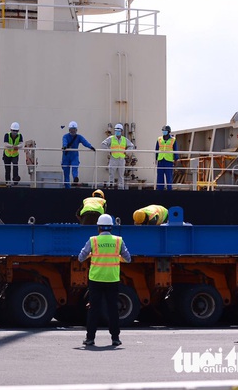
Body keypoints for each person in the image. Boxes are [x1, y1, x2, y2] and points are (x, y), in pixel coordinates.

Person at [78, 213, 131, 347]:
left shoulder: (93, 240)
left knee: (93, 309)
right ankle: (115, 338)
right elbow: (128, 259)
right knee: (112, 310)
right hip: (112, 279)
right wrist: (116, 257)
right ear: (111, 228)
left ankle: (90, 338)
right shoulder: (118, 241)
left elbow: (80, 257)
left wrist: (91, 255)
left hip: (96, 279)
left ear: (98, 228)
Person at [61, 121, 95, 189]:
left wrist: (90, 146)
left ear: (76, 130)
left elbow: (84, 142)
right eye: (72, 130)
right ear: (69, 130)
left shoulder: (77, 137)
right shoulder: (66, 136)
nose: (73, 131)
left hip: (72, 155)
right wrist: (64, 146)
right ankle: (69, 185)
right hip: (68, 156)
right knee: (68, 171)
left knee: (74, 168)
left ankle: (75, 179)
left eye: (74, 130)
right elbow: (65, 141)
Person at [101, 124, 135, 190]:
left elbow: (131, 146)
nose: (117, 132)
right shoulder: (111, 138)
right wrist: (109, 151)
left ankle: (121, 189)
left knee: (121, 176)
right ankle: (111, 187)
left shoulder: (124, 139)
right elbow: (103, 144)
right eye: (116, 131)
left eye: (118, 131)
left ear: (121, 131)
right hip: (113, 158)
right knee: (111, 175)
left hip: (121, 159)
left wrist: (126, 152)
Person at [156, 125, 178, 190]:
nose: (164, 132)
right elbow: (156, 149)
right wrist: (156, 159)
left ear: (169, 132)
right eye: (163, 131)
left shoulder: (173, 140)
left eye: (165, 131)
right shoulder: (159, 139)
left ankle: (169, 191)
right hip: (160, 160)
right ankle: (160, 192)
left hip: (169, 161)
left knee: (169, 178)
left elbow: (175, 150)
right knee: (160, 177)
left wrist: (176, 159)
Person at [3, 122, 23, 186]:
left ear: (18, 131)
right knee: (7, 169)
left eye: (16, 131)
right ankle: (8, 182)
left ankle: (15, 180)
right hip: (7, 154)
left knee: (15, 166)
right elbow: (5, 144)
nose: (15, 132)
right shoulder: (7, 135)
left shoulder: (20, 135)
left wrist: (17, 147)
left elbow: (21, 144)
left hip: (15, 154)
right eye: (13, 130)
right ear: (11, 130)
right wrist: (12, 146)